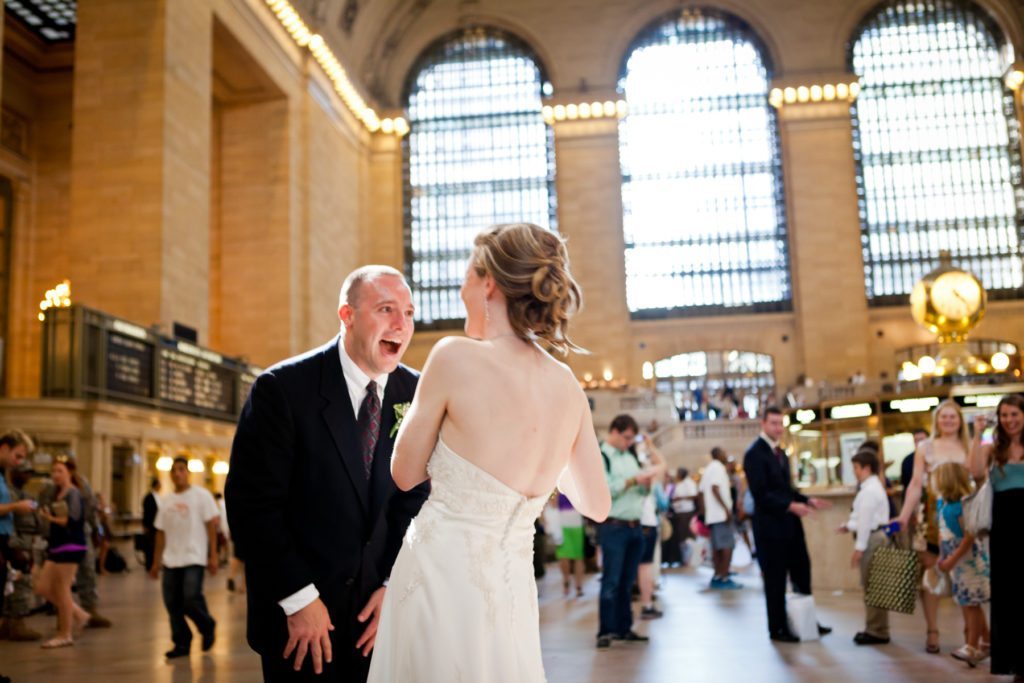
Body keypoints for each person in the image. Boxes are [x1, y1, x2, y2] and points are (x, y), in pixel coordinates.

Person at [368, 223, 611, 681]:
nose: (461, 289)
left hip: (440, 580)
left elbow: (403, 473)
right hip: (512, 595)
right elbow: (597, 505)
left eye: (465, 276)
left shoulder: (453, 357)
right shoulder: (567, 386)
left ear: (488, 283)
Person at [226, 265, 431, 682]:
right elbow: (253, 508)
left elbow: (417, 502)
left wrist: (394, 584)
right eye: (386, 309)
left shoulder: (416, 393)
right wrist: (299, 599)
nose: (401, 325)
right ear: (347, 315)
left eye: (409, 313)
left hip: (380, 620)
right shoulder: (282, 390)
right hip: (299, 624)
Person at [743, 406, 832, 643]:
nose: (778, 428)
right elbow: (761, 494)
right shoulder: (754, 454)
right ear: (762, 424)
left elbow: (785, 489)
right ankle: (778, 627)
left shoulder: (781, 452)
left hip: (791, 527)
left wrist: (806, 500)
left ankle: (807, 621)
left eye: (781, 424)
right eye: (773, 423)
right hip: (770, 529)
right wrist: (790, 506)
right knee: (775, 579)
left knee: (802, 572)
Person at [893, 399, 969, 654]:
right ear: (937, 420)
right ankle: (932, 630)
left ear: (960, 421)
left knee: (965, 572)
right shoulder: (925, 448)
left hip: (963, 516)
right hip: (933, 516)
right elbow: (915, 484)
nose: (948, 421)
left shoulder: (968, 447)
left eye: (953, 417)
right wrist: (904, 515)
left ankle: (972, 633)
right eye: (943, 416)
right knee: (931, 573)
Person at [967, 393, 1024, 680]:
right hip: (1003, 531)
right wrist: (977, 434)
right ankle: (1015, 663)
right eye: (1004, 415)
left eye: (1015, 414)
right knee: (1008, 597)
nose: (1010, 420)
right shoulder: (994, 447)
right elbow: (975, 471)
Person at [589, 414, 654, 650]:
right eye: (626, 437)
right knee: (611, 581)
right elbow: (605, 490)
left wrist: (645, 486)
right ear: (614, 431)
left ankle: (624, 628)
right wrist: (633, 482)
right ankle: (605, 631)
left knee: (628, 583)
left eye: (631, 438)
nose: (629, 442)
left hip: (635, 526)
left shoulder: (630, 456)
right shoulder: (602, 456)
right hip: (614, 526)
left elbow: (641, 493)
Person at [149, 456, 219, 659]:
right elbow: (160, 533)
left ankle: (207, 625)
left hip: (193, 556)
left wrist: (212, 555)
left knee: (190, 598)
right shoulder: (167, 500)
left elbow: (211, 527)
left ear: (188, 472)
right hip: (171, 559)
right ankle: (181, 642)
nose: (178, 473)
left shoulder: (201, 495)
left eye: (181, 469)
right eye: (174, 470)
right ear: (170, 475)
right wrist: (156, 562)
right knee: (172, 603)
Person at [933, 462, 990, 668]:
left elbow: (968, 536)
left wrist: (951, 559)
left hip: (968, 563)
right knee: (967, 602)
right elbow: (942, 533)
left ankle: (972, 646)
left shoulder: (963, 506)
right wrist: (942, 556)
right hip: (955, 562)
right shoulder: (943, 505)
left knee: (971, 604)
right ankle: (987, 641)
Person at [34, 456, 91, 648]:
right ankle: (78, 613)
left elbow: (72, 520)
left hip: (71, 544)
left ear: (69, 472)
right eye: (53, 471)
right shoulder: (56, 493)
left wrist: (49, 517)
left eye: (60, 471)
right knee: (42, 587)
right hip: (56, 544)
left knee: (62, 588)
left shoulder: (73, 493)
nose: (55, 475)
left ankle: (65, 633)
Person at [837, 449, 891, 645]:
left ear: (867, 468)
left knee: (873, 587)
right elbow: (861, 518)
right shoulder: (871, 487)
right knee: (874, 586)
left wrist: (859, 549)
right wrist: (848, 526)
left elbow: (867, 521)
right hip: (874, 536)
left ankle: (877, 631)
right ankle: (876, 628)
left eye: (856, 468)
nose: (855, 472)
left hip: (872, 540)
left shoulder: (870, 490)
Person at [0, 431, 37, 651]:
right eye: (18, 455)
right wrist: (16, 507)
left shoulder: (3, 476)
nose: (19, 462)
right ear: (4, 448)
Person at [636, 435, 667, 617]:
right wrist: (650, 445)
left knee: (639, 566)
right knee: (645, 566)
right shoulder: (645, 473)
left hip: (637, 522)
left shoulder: (634, 471)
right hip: (646, 522)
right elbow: (662, 464)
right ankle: (646, 604)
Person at [700, 447, 740, 589]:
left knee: (717, 547)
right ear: (717, 454)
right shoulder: (718, 467)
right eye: (723, 452)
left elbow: (702, 491)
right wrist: (725, 509)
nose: (726, 454)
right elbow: (714, 488)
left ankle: (717, 575)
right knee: (727, 545)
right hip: (720, 514)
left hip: (713, 515)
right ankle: (724, 577)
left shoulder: (709, 468)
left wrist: (705, 513)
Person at [554, 493, 586, 598]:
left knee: (578, 556)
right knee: (564, 556)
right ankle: (566, 580)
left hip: (577, 522)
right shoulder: (557, 483)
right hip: (561, 523)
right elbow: (552, 503)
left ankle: (578, 586)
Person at [667, 467, 698, 565]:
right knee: (680, 536)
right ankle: (683, 558)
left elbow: (694, 495)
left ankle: (689, 558)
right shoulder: (679, 483)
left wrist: (680, 498)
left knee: (686, 536)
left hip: (686, 512)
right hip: (679, 512)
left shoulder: (689, 483)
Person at [141, 477, 161, 573]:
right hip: (150, 525)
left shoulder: (158, 496)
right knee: (149, 546)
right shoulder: (149, 497)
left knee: (155, 545)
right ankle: (149, 565)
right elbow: (146, 512)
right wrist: (145, 525)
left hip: (156, 525)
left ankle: (154, 563)